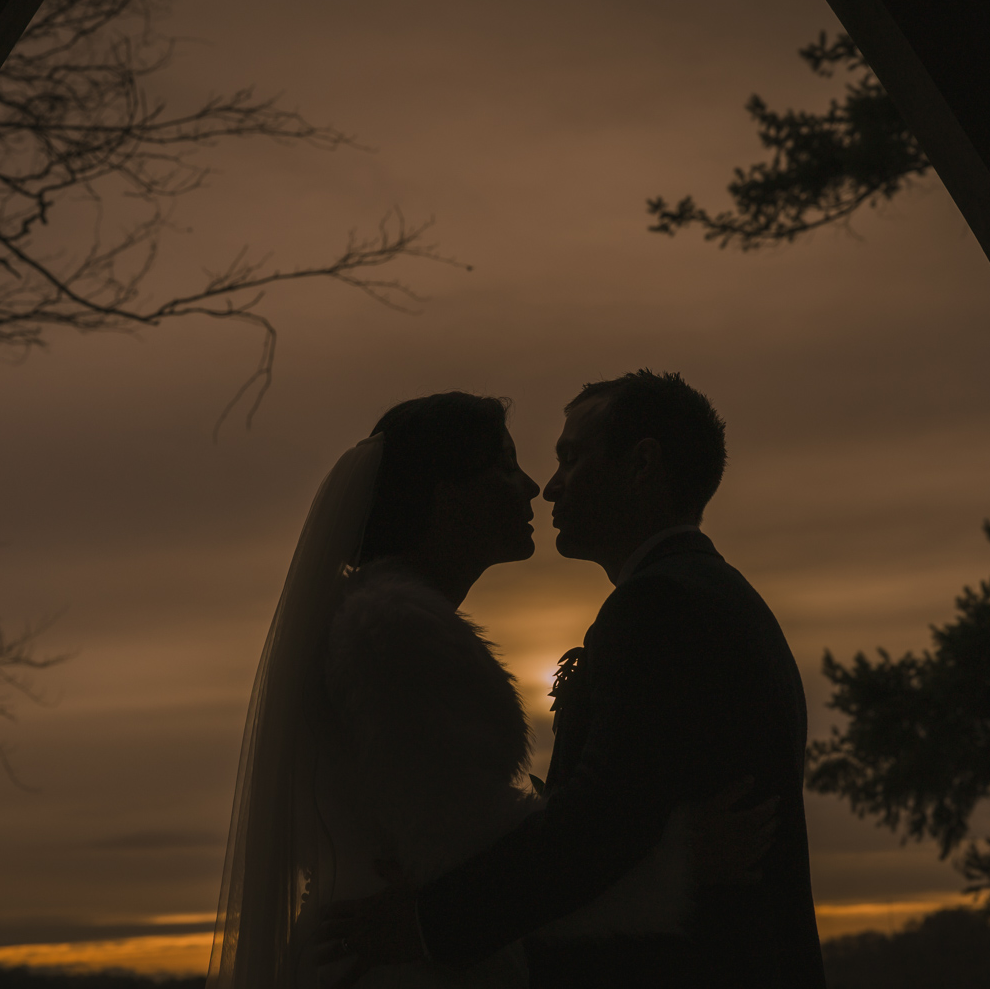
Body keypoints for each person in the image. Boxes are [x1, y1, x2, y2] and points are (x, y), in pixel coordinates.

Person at [207, 390, 775, 989]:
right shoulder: (392, 631)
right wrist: (675, 867)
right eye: (506, 467)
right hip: (391, 960)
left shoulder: (387, 622)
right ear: (448, 497)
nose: (536, 486)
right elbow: (457, 846)